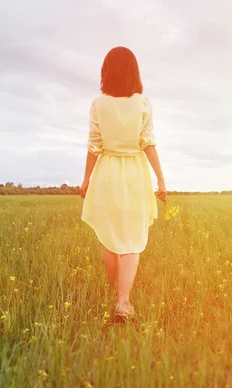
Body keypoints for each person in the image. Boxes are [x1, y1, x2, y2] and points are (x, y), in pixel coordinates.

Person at [79, 46, 167, 323]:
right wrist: (161, 179)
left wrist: (85, 180)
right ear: (134, 72)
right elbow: (148, 143)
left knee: (110, 238)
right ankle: (123, 301)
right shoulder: (143, 103)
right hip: (135, 176)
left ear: (107, 72)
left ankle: (113, 293)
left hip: (106, 174)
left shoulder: (98, 104)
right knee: (132, 240)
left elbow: (94, 146)